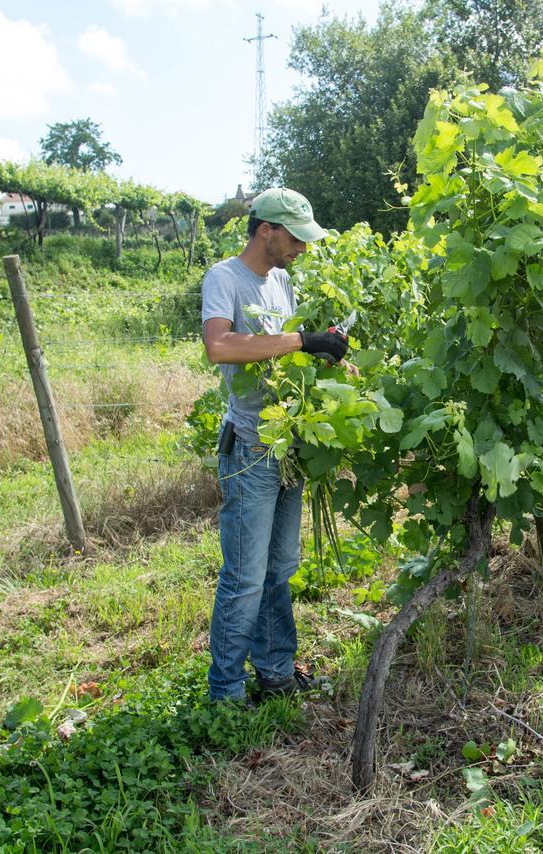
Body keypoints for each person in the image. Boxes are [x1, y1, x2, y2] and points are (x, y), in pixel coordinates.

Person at [200, 187, 350, 702]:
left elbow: (283, 355)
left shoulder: (281, 281)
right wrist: (303, 339)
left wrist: (327, 358)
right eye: (295, 238)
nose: (301, 249)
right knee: (245, 576)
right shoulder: (225, 278)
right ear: (266, 230)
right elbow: (220, 345)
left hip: (286, 447)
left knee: (280, 568)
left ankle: (276, 672)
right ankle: (225, 693)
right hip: (250, 449)